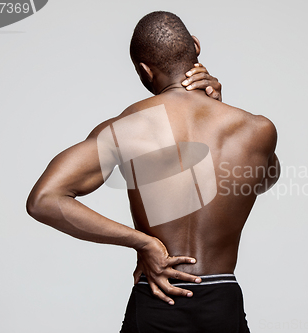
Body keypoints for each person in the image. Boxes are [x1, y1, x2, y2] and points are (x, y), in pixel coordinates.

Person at [27, 11, 279, 333]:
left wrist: (143, 243)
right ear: (196, 47)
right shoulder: (257, 128)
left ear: (145, 70)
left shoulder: (127, 129)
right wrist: (223, 108)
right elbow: (264, 179)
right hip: (222, 306)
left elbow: (44, 199)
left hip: (158, 298)